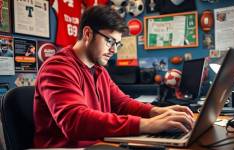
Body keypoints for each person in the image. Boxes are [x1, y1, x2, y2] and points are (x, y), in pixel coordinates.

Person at [34, 5, 194, 148]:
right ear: (88, 33)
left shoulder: (99, 70)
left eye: (117, 44)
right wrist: (148, 125)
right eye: (110, 41)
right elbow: (75, 121)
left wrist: (158, 112)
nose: (114, 50)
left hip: (99, 144)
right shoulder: (57, 68)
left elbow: (122, 104)